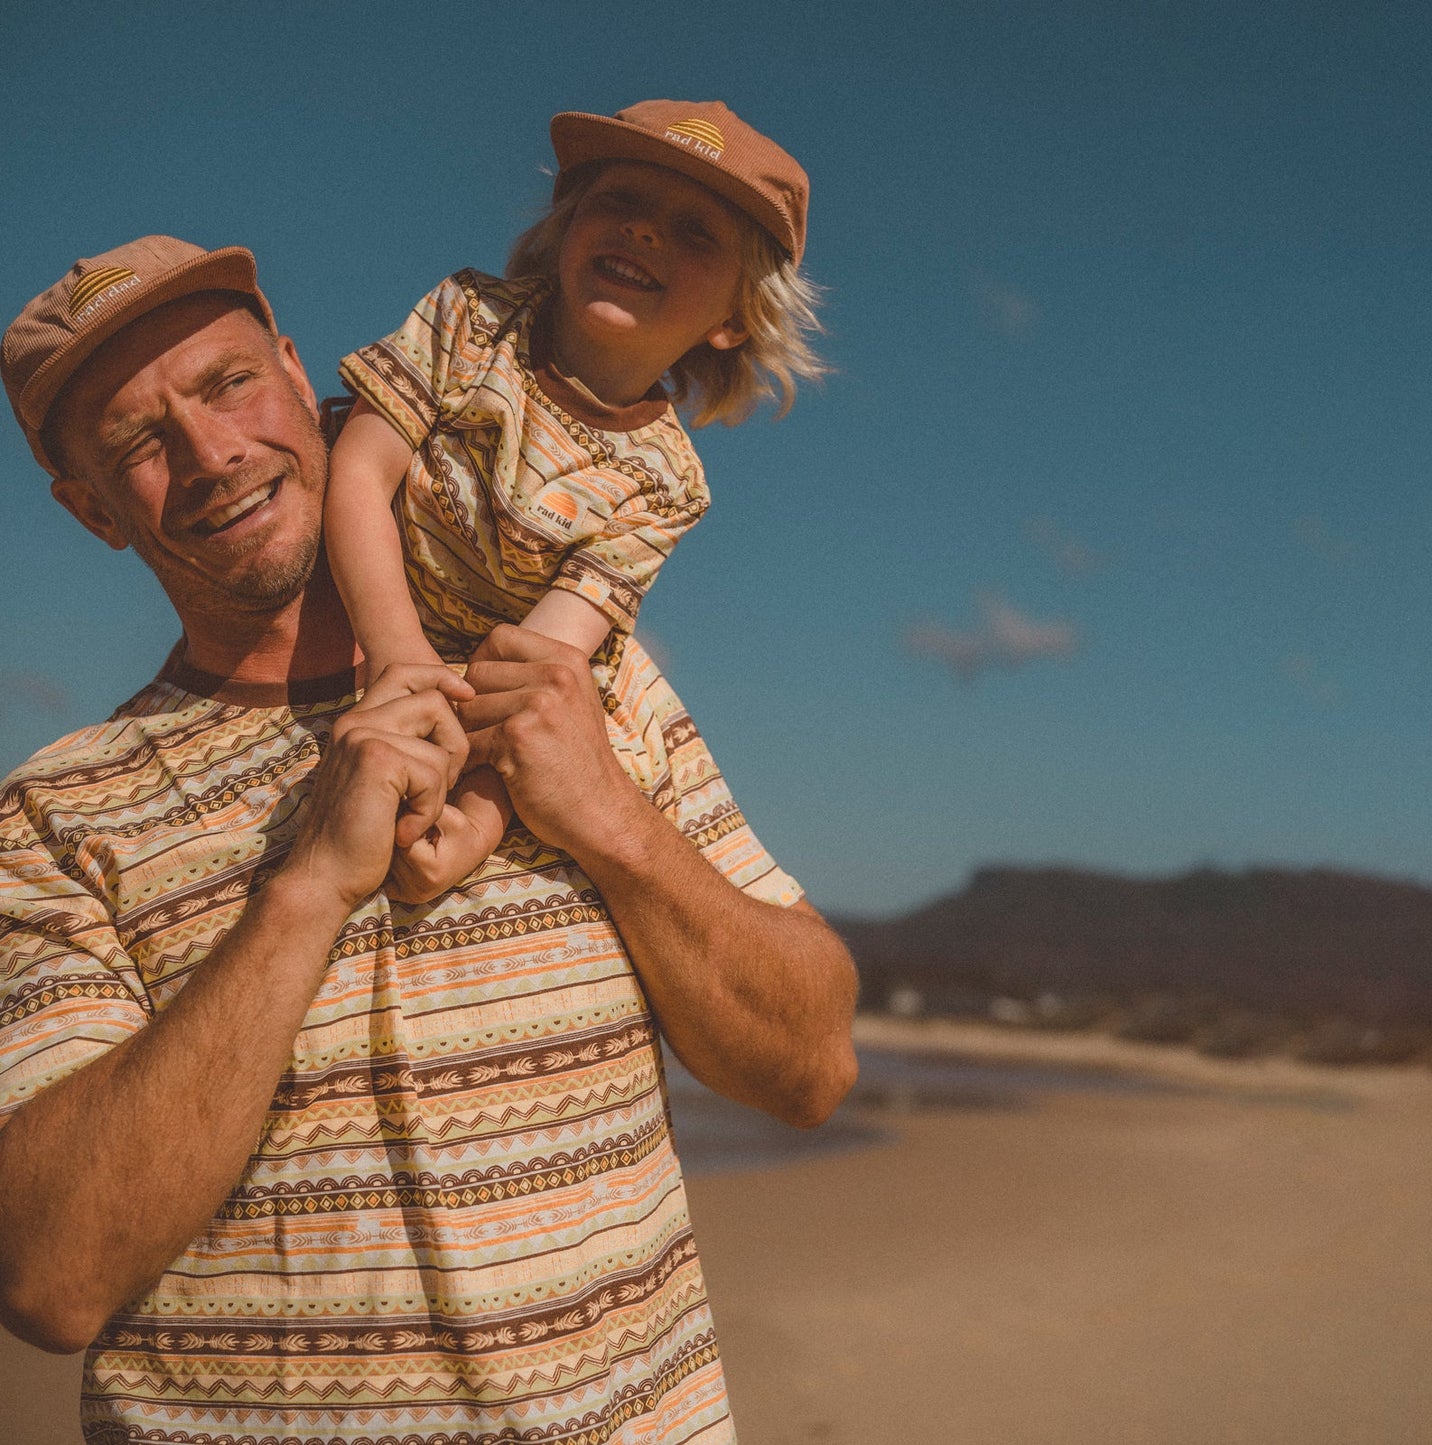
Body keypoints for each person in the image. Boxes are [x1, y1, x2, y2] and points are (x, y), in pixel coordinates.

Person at [0, 233, 857, 1445]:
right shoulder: (52, 816)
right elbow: (50, 1273)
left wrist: (604, 813)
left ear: (302, 376)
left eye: (227, 383)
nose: (212, 453)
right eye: (139, 442)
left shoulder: (578, 686)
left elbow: (808, 1064)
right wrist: (303, 891)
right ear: (88, 509)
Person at [325, 99, 824, 901]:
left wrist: (475, 816)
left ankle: (471, 834)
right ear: (566, 227)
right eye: (620, 200)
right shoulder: (471, 316)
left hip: (489, 679)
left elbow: (546, 664)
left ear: (734, 318)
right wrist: (397, 655)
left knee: (582, 690)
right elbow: (358, 473)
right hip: (377, 628)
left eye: (697, 231)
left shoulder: (666, 484)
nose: (646, 231)